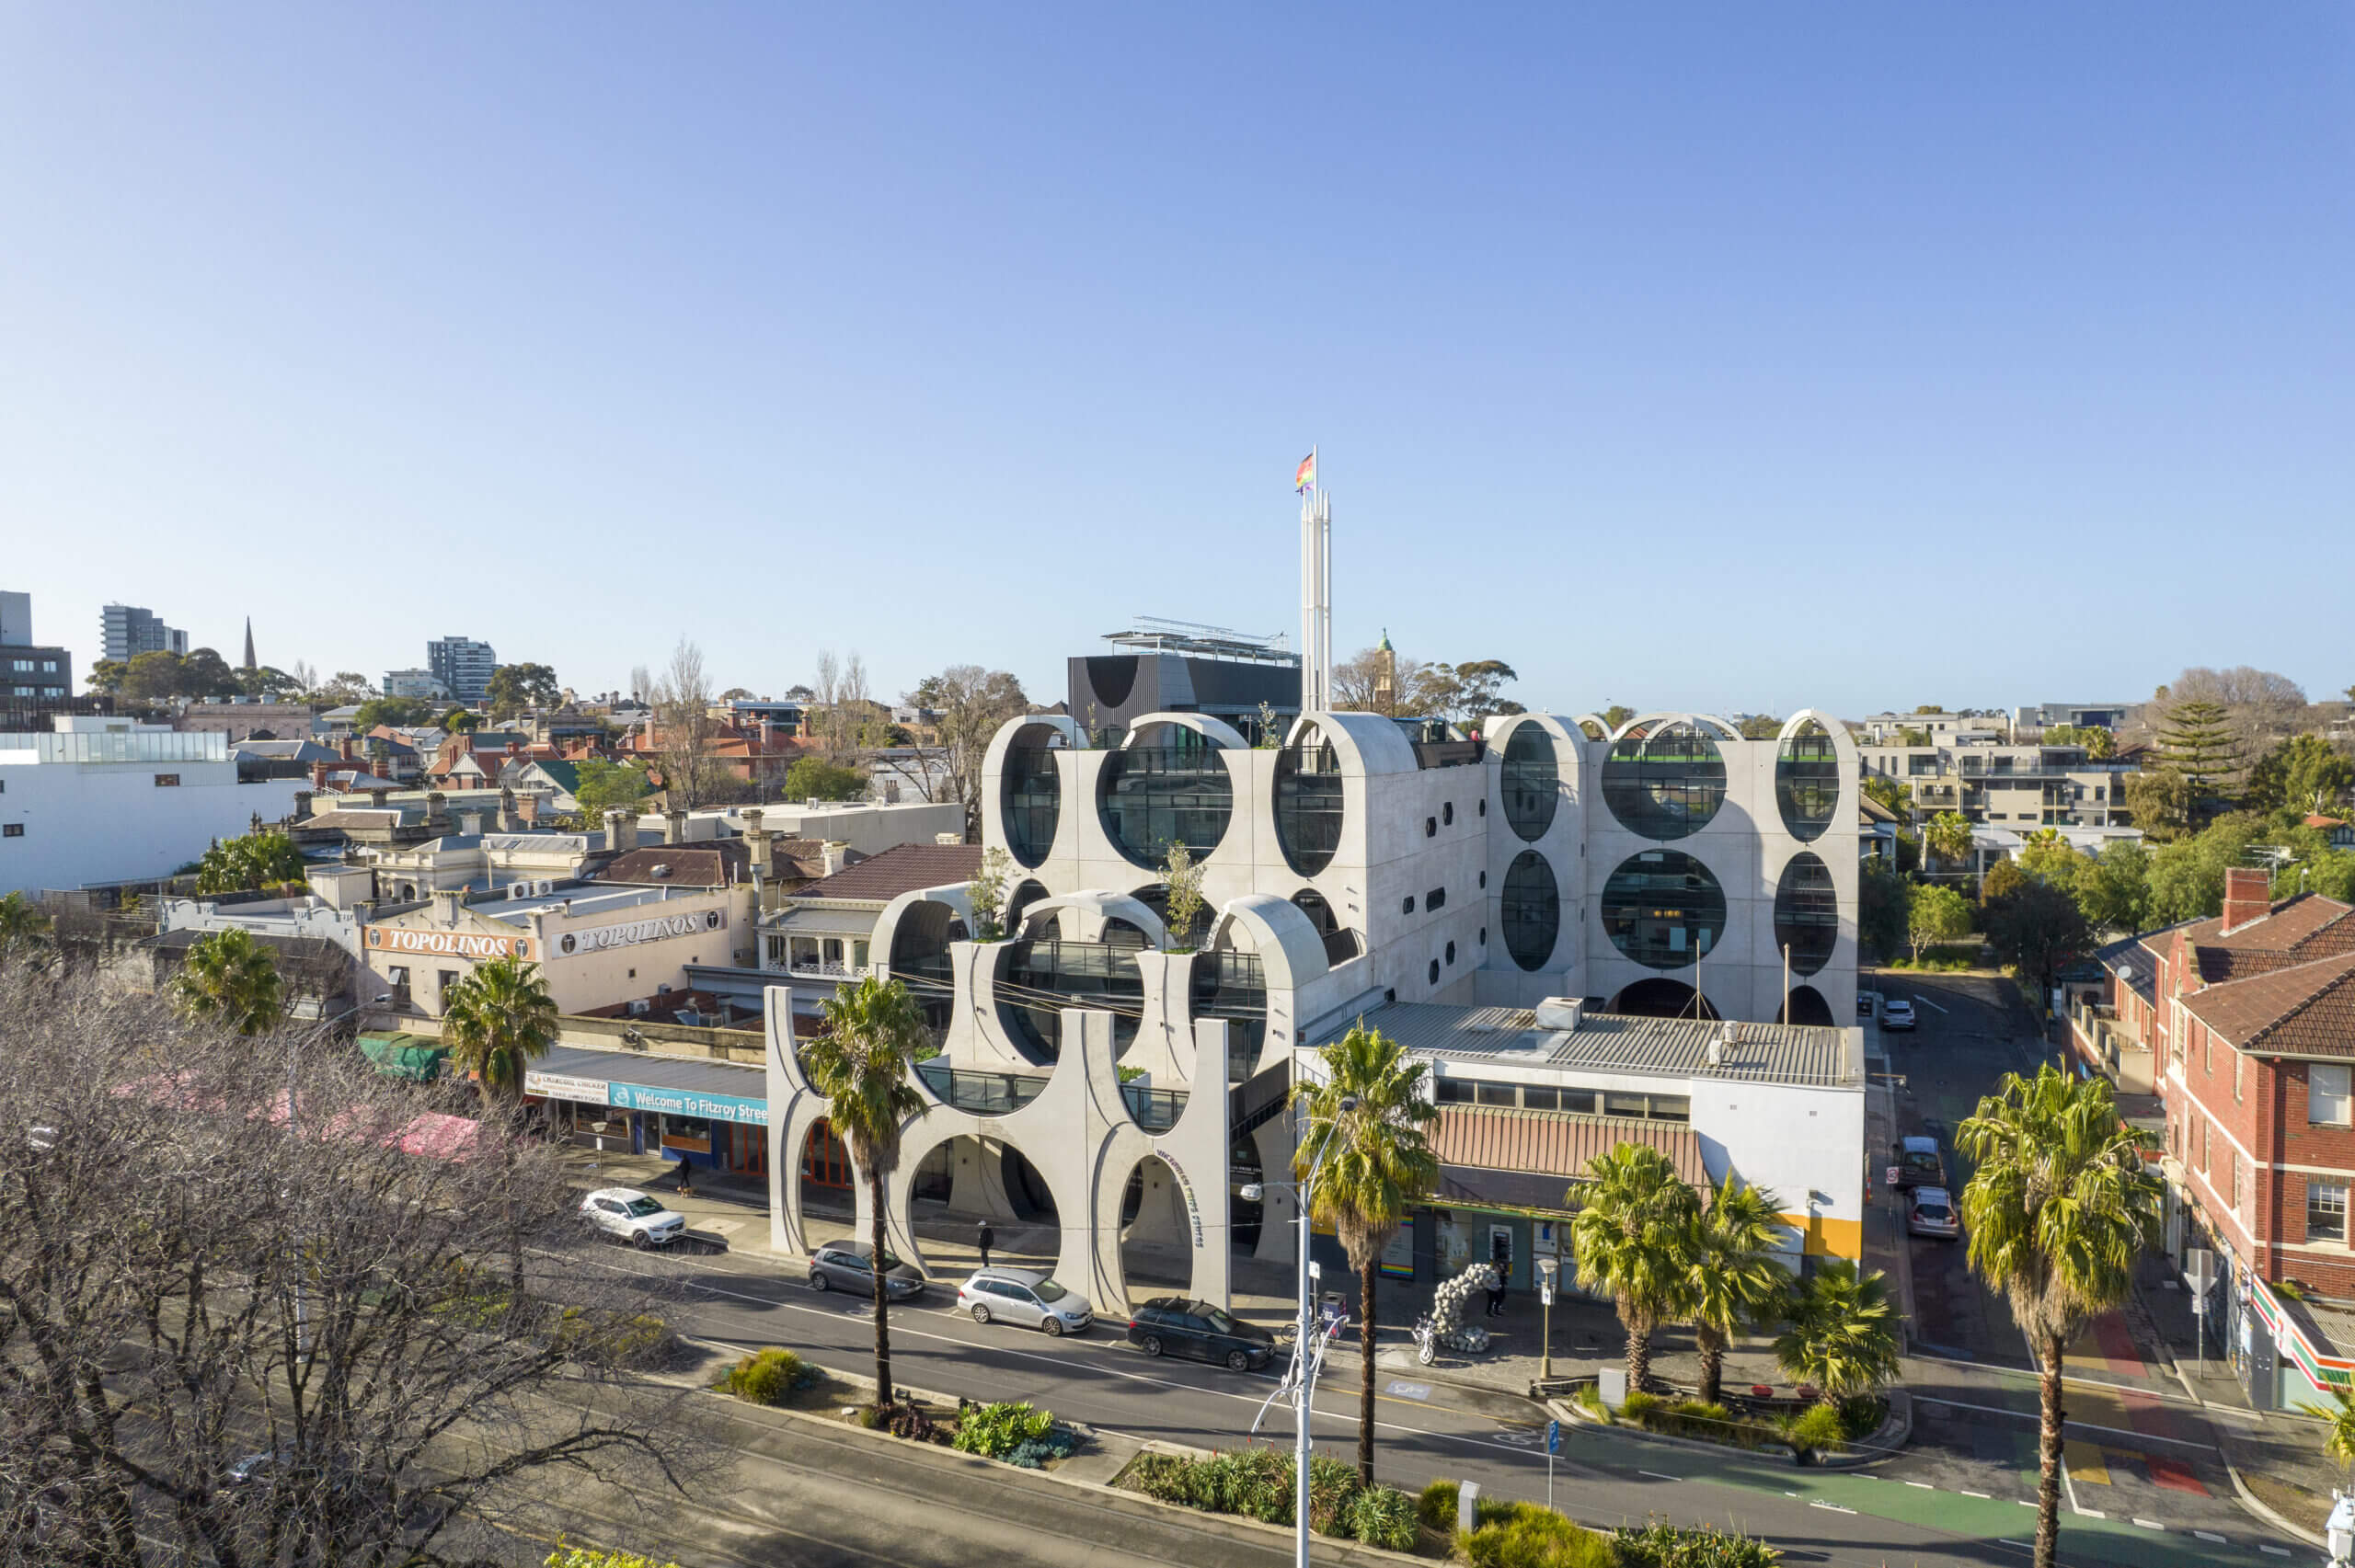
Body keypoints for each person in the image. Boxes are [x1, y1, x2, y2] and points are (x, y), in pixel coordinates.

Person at [1487, 1239, 1510, 1318]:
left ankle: (1496, 1309)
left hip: (1497, 1286)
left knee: (1500, 1297)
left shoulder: (1500, 1266)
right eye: (1500, 1268)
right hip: (1493, 1288)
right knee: (1495, 1299)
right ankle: (1491, 1311)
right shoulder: (1495, 1271)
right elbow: (1490, 1280)